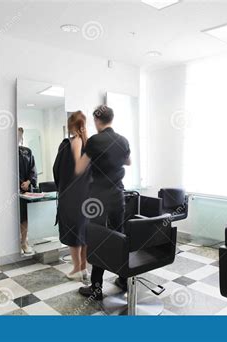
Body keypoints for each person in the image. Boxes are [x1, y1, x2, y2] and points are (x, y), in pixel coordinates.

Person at [75, 105, 131, 300]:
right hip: (118, 195)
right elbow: (128, 162)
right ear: (111, 119)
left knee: (97, 239)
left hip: (98, 198)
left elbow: (80, 168)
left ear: (97, 121)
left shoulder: (94, 141)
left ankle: (96, 288)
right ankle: (124, 279)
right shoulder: (123, 140)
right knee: (120, 236)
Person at [53, 111, 91, 283]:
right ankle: (83, 268)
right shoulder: (88, 143)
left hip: (72, 196)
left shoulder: (74, 141)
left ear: (71, 126)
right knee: (83, 233)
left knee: (73, 233)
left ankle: (77, 269)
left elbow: (76, 167)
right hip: (86, 195)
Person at [18, 127, 37, 255]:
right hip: (9, 192)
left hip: (25, 191)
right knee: (11, 218)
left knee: (24, 218)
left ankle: (24, 242)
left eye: (19, 135)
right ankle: (11, 243)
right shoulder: (4, 152)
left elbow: (33, 170)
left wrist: (29, 182)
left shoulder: (27, 151)